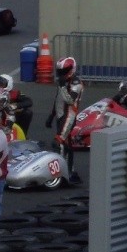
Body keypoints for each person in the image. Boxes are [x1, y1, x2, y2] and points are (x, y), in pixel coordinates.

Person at [44, 56, 84, 184]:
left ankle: (61, 174)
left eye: (64, 70)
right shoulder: (63, 82)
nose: (61, 73)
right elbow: (58, 100)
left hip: (69, 117)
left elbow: (69, 100)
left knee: (58, 143)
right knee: (67, 145)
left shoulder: (76, 84)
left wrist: (62, 86)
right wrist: (51, 115)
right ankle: (70, 171)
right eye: (59, 71)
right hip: (60, 116)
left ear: (72, 69)